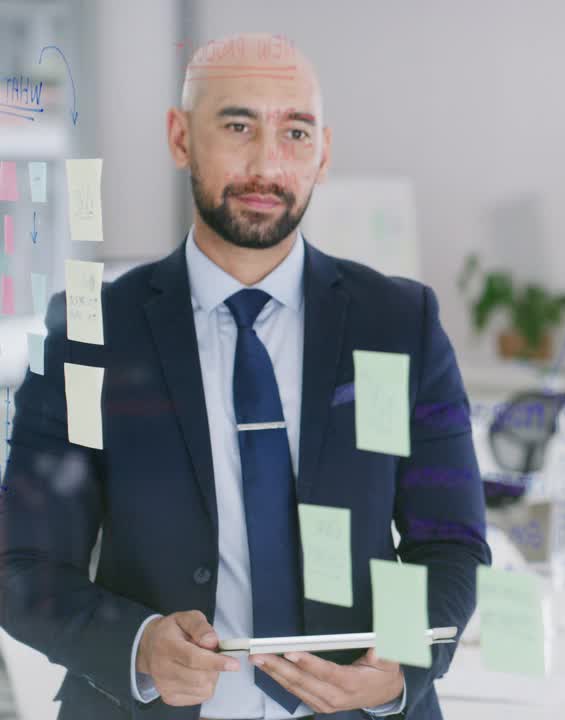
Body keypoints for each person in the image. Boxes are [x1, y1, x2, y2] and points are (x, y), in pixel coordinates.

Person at [0, 34, 489, 720]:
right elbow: (24, 565)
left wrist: (400, 663)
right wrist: (138, 647)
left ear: (323, 150)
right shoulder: (90, 333)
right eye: (237, 127)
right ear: (179, 138)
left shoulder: (397, 322)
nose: (268, 164)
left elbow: (448, 541)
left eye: (295, 132)